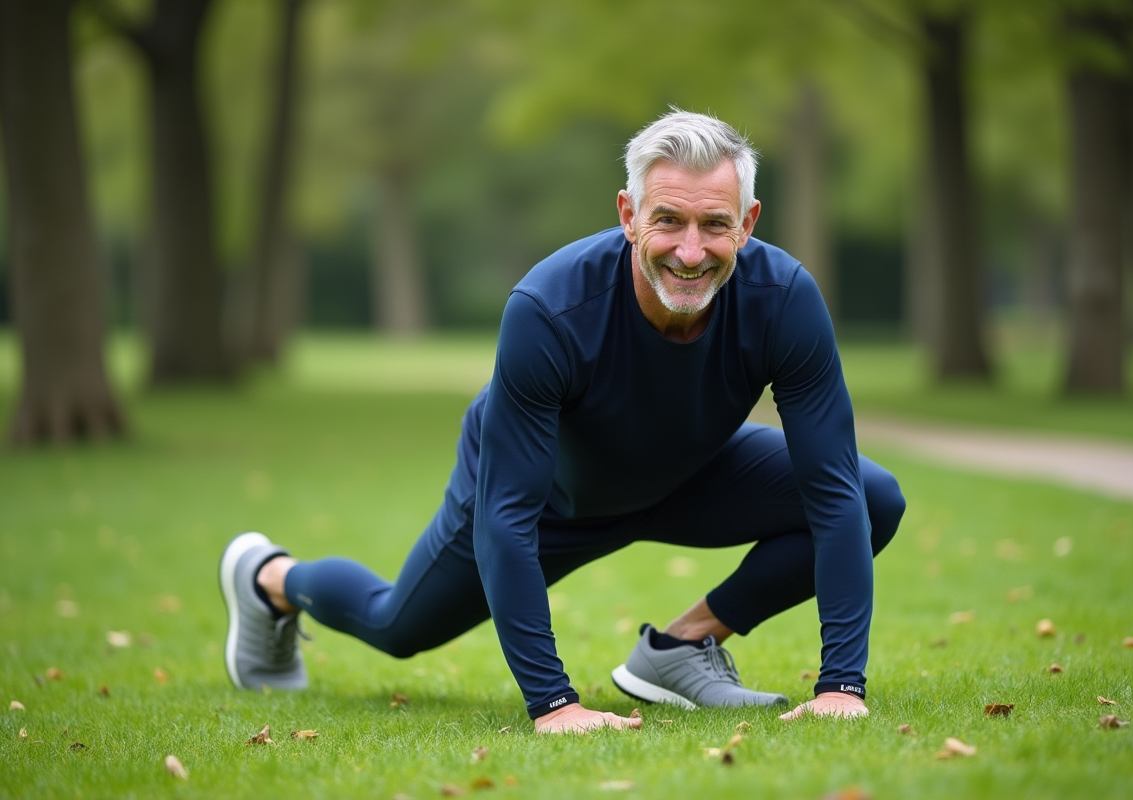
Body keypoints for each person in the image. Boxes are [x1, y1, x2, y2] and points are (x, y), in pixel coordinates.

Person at [219, 110, 905, 734]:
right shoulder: (548, 309)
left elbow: (833, 489)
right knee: (397, 626)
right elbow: (506, 517)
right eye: (668, 220)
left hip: (689, 474)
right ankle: (269, 578)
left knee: (874, 498)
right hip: (548, 499)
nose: (691, 252)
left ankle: (681, 647)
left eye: (715, 225)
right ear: (628, 214)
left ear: (748, 223)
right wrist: (555, 703)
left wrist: (842, 684)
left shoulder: (785, 299)